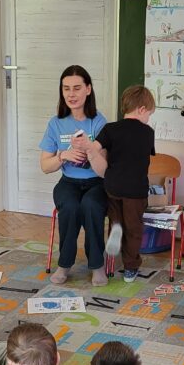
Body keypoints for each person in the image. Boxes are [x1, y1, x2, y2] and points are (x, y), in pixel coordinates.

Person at [39, 66, 109, 286]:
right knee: (69, 207)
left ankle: (97, 265)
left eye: (77, 88)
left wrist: (90, 149)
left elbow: (104, 170)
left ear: (88, 89)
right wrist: (63, 156)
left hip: (97, 183)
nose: (71, 94)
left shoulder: (99, 122)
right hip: (68, 182)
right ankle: (64, 264)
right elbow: (45, 166)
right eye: (66, 88)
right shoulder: (55, 123)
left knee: (91, 206)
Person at [85, 85, 155, 283]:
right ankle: (131, 267)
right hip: (136, 189)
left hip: (113, 186)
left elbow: (94, 148)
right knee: (134, 228)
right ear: (141, 109)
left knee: (117, 218)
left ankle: (115, 230)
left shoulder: (110, 129)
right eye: (149, 114)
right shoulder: (147, 132)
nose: (148, 118)